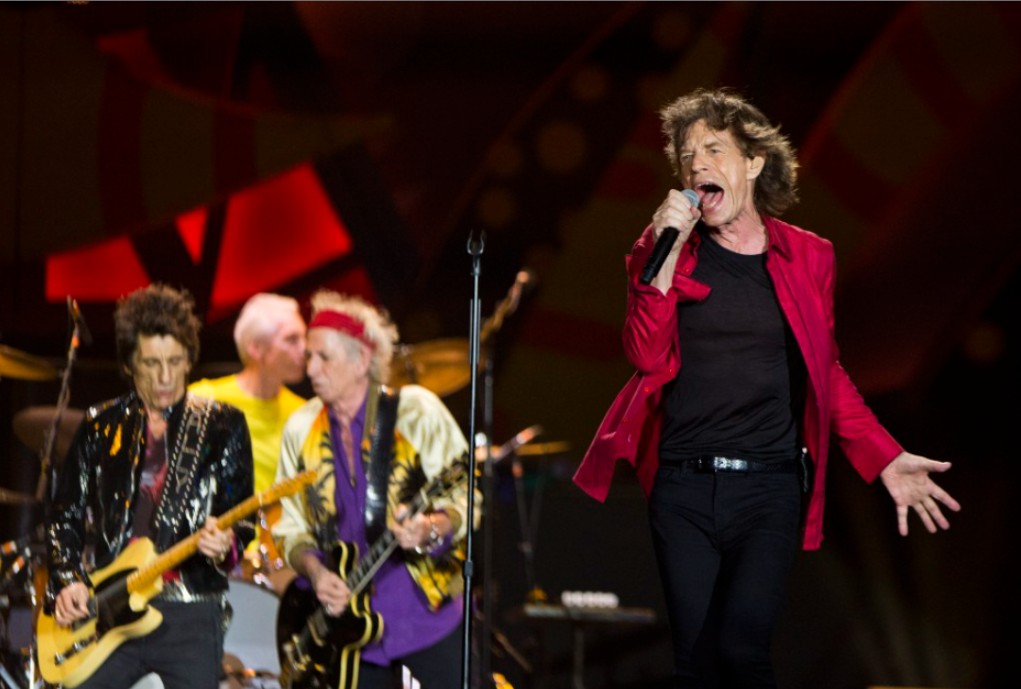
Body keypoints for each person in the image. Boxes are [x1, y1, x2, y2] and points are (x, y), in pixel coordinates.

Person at [572, 88, 961, 689]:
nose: (697, 163)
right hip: (683, 487)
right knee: (695, 664)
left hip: (769, 486)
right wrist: (662, 256)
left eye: (714, 149)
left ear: (753, 162)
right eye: (687, 154)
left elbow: (824, 370)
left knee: (743, 650)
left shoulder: (808, 256)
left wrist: (883, 457)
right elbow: (644, 355)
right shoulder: (662, 252)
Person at [45, 284, 254, 689]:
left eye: (175, 361)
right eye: (151, 363)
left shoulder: (223, 424)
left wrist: (224, 543)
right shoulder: (99, 426)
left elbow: (243, 521)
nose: (164, 377)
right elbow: (63, 514)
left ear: (190, 358)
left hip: (190, 609)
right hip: (110, 606)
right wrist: (67, 576)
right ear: (129, 364)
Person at [273, 290, 475, 689]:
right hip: (347, 626)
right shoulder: (300, 428)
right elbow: (289, 527)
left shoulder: (416, 411)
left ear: (361, 359)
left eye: (323, 357)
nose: (310, 368)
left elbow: (468, 498)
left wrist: (430, 527)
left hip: (423, 609)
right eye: (308, 356)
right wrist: (315, 573)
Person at [190, 292, 306, 575]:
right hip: (214, 558)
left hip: (283, 564)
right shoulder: (203, 401)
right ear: (256, 348)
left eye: (305, 338)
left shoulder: (306, 414)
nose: (305, 349)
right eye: (292, 340)